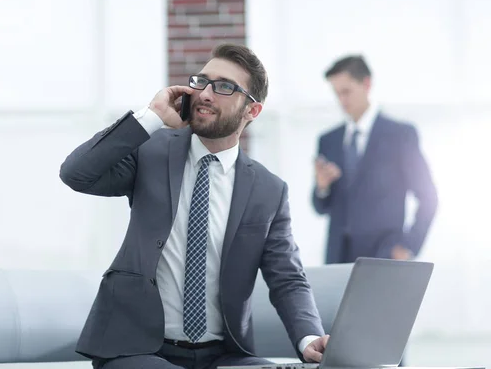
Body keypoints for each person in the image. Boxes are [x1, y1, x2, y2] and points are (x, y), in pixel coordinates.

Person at [60, 44, 328, 369]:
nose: (205, 93)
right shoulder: (151, 149)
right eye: (202, 81)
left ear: (251, 111)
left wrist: (309, 337)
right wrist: (151, 117)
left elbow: (287, 277)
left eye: (225, 86)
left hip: (224, 354)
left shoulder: (268, 190)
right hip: (137, 350)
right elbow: (77, 173)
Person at [312, 55, 438, 265]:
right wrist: (322, 187)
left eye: (346, 92)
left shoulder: (400, 135)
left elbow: (428, 196)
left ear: (366, 84)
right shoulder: (328, 140)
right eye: (336, 94)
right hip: (338, 260)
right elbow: (320, 207)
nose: (341, 101)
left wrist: (408, 246)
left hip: (385, 255)